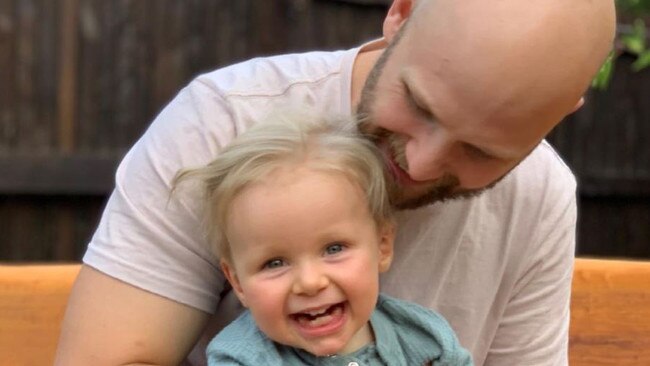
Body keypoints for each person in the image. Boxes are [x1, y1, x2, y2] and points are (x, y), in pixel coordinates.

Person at [54, 0, 616, 365]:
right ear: (401, 13)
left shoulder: (540, 194)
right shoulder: (225, 120)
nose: (419, 167)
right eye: (418, 105)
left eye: (479, 151)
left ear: (560, 115)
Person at [173, 112, 473, 365]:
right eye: (274, 263)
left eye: (334, 248)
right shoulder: (242, 359)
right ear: (238, 282)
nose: (310, 282)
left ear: (382, 245)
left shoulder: (423, 338)